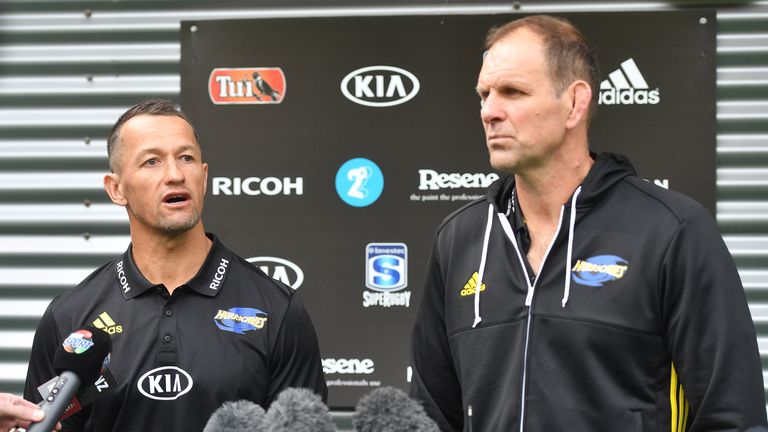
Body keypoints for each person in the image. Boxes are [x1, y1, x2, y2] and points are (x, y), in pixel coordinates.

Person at [409, 15, 767, 431]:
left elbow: (732, 416)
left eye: (512, 92)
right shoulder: (460, 239)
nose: (490, 111)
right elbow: (430, 416)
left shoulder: (671, 230)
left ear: (575, 103)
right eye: (484, 94)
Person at [24, 99, 327, 431]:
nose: (175, 174)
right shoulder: (69, 317)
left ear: (204, 175)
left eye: (186, 158)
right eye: (152, 161)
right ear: (116, 188)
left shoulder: (278, 310)